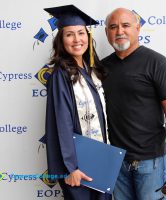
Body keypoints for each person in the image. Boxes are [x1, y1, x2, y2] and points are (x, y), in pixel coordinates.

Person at [102, 8, 166, 200]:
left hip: (150, 162)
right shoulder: (101, 67)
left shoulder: (158, 63)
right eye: (113, 27)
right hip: (115, 160)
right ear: (106, 33)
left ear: (138, 29)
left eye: (126, 25)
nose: (119, 31)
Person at [44, 5, 110, 200]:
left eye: (81, 33)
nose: (76, 39)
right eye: (69, 35)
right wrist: (71, 167)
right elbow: (62, 124)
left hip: (100, 159)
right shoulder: (60, 75)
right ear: (61, 41)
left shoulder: (92, 73)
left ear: (88, 38)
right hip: (78, 166)